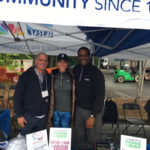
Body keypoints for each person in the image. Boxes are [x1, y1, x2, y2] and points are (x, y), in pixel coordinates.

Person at [73, 47, 105, 144]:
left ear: (89, 56)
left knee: (92, 139)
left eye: (85, 55)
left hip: (93, 111)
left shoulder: (96, 73)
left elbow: (100, 96)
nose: (83, 58)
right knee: (79, 137)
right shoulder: (76, 69)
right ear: (78, 57)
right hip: (79, 110)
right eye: (81, 56)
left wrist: (92, 115)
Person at [14, 53, 51, 136]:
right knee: (25, 142)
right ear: (36, 61)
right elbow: (17, 96)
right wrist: (19, 115)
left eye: (45, 61)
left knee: (39, 143)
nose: (43, 62)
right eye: (41, 60)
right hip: (28, 117)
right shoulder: (25, 76)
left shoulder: (48, 77)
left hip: (43, 117)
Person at [48, 53, 75, 128]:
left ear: (67, 63)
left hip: (67, 111)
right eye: (60, 61)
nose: (62, 64)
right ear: (57, 63)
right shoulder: (52, 75)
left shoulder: (72, 75)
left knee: (64, 134)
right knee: (55, 134)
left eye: (64, 62)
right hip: (55, 111)